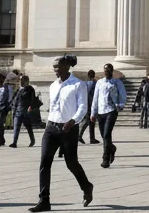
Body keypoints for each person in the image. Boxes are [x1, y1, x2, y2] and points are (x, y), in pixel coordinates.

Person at [31, 54, 93, 212]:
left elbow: (82, 107)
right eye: (53, 67)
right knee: (45, 163)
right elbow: (54, 108)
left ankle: (87, 186)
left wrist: (72, 121)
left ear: (66, 67)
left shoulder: (78, 85)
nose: (54, 69)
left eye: (57, 66)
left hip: (69, 129)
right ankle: (44, 200)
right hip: (51, 128)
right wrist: (48, 123)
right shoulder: (53, 85)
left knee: (71, 163)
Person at [92, 63, 126, 168]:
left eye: (109, 70)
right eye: (105, 70)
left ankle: (105, 159)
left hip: (111, 110)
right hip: (101, 112)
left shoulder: (117, 82)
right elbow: (95, 98)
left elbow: (123, 94)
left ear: (112, 71)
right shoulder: (99, 83)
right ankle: (111, 148)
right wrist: (93, 112)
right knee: (104, 136)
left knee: (107, 134)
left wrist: (120, 105)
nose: (107, 72)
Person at [12, 75, 37, 148]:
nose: (20, 81)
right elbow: (14, 98)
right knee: (16, 127)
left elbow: (33, 99)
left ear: (26, 81)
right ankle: (14, 143)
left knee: (29, 128)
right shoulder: (18, 89)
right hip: (17, 112)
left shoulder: (30, 89)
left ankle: (32, 140)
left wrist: (30, 107)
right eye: (20, 80)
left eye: (22, 80)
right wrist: (12, 106)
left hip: (25, 112)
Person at [81, 70, 99, 144]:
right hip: (92, 104)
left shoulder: (85, 83)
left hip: (86, 103)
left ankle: (92, 138)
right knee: (89, 121)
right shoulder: (95, 83)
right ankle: (80, 135)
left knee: (89, 121)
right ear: (94, 75)